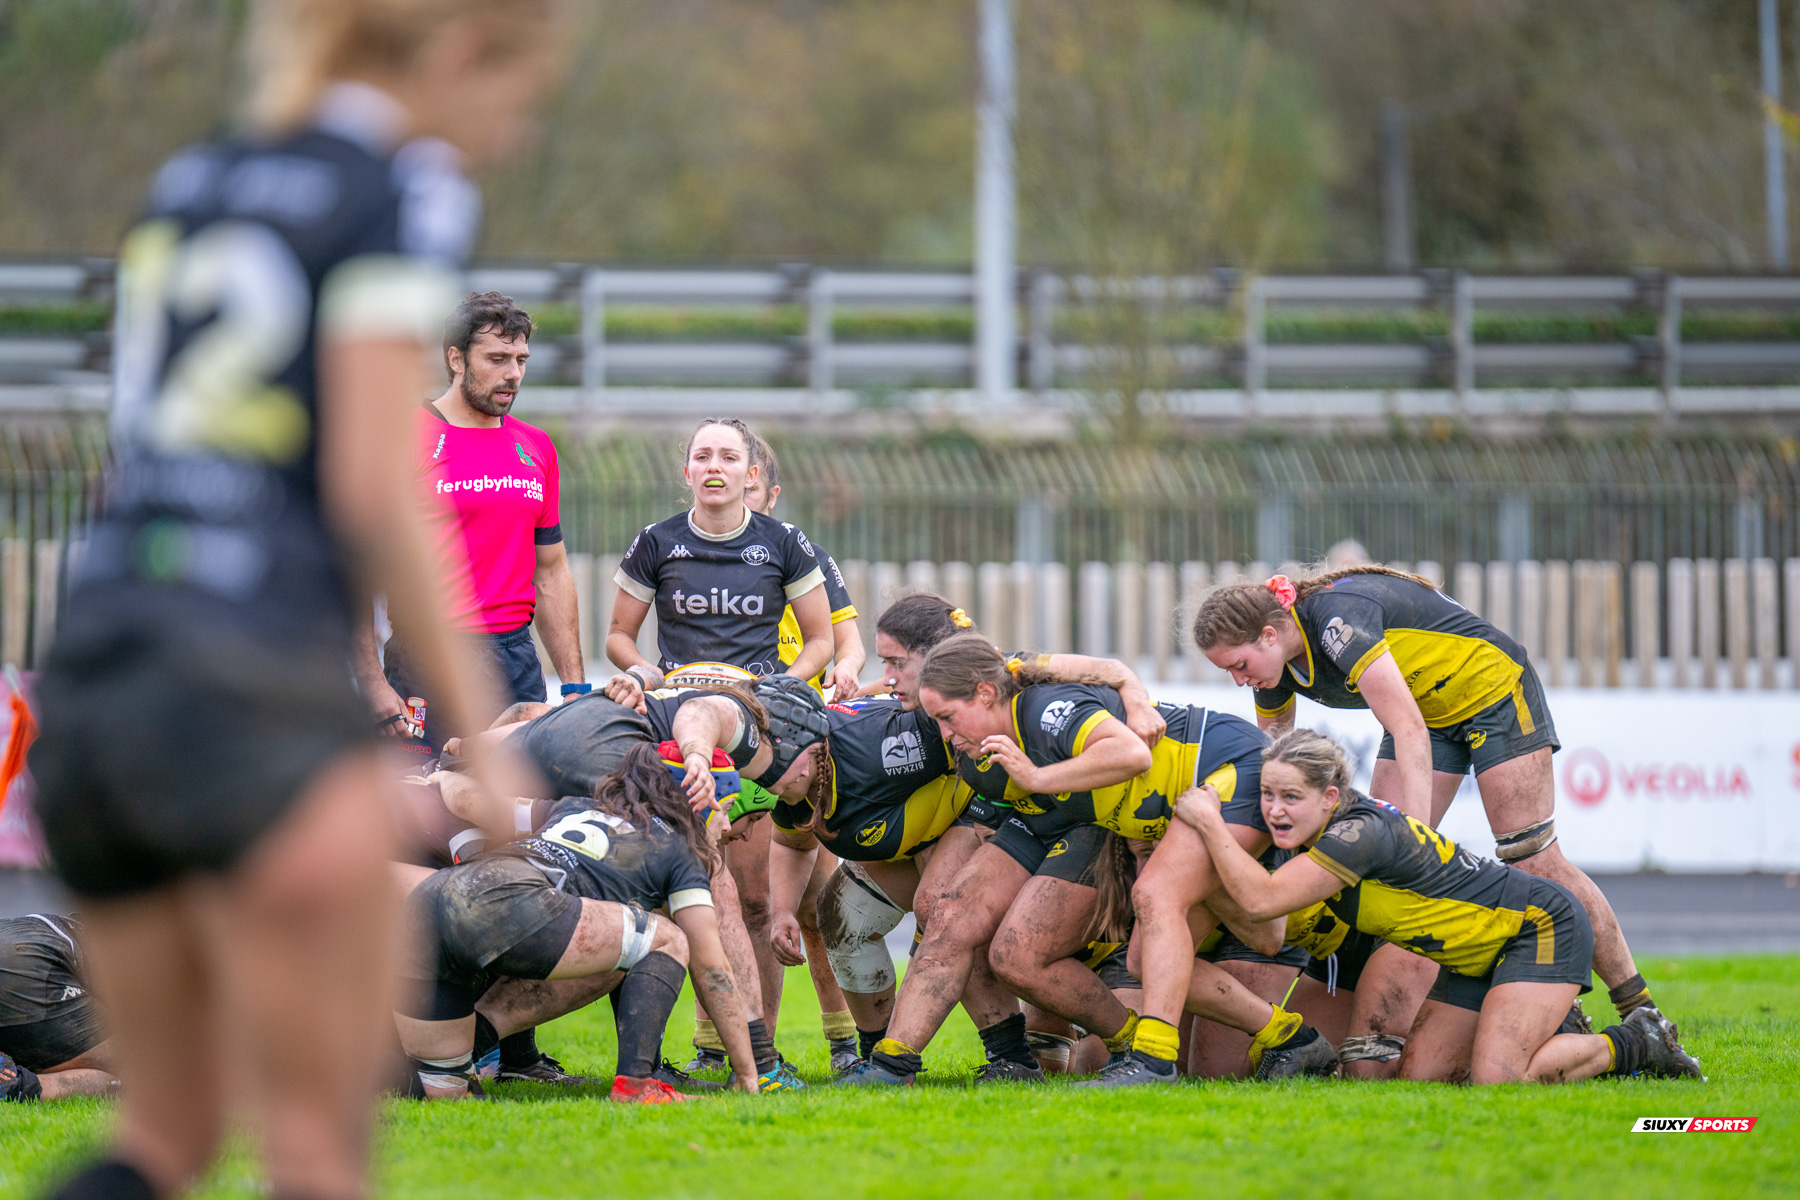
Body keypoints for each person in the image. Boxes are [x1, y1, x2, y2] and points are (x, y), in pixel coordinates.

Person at [26, 4, 556, 1197]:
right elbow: (375, 488)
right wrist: (482, 728)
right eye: (522, 91)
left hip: (102, 672)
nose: (514, 132)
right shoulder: (399, 184)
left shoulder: (195, 174)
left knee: (162, 1139)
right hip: (244, 684)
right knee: (319, 1152)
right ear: (461, 48)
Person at [1194, 567, 1668, 1054]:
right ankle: (1523, 1004)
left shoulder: (1338, 623)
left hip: (1493, 691)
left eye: (1239, 664)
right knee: (1376, 868)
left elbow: (1407, 729)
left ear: (1270, 635)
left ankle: (1640, 1007)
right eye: (1228, 672)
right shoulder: (1271, 671)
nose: (1237, 680)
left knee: (1532, 859)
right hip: (1428, 714)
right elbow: (1271, 763)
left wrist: (1414, 839)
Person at [842, 635, 1330, 1086]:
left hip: (1225, 773)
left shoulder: (1044, 707)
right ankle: (892, 1064)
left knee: (1171, 902)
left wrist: (1034, 777)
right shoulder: (983, 728)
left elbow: (1132, 750)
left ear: (986, 693)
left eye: (948, 717)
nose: (944, 734)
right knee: (974, 923)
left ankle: (1152, 1063)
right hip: (1088, 816)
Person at [1178, 728, 1703, 1085]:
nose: (1273, 809)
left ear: (1331, 798)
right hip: (1471, 957)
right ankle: (1553, 1026)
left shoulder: (1357, 833)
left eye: (1290, 797)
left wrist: (1206, 823)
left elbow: (1262, 900)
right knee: (1420, 1078)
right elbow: (1268, 928)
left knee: (1500, 1082)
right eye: (1267, 794)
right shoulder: (1326, 834)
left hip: (1538, 928)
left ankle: (1637, 1041)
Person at [438, 671, 830, 1092]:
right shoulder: (745, 726)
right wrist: (698, 755)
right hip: (566, 782)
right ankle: (756, 1063)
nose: (741, 827)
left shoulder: (600, 752)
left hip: (474, 844)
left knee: (626, 935)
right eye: (737, 811)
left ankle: (467, 1044)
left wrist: (459, 757)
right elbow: (700, 714)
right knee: (692, 903)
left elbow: (532, 719)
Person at [397, 744, 759, 1103]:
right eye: (725, 809)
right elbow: (712, 968)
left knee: (439, 1093)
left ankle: (396, 1075)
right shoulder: (681, 852)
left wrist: (442, 777)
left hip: (429, 903)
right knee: (667, 938)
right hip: (508, 904)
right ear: (697, 802)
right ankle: (637, 1085)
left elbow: (473, 802)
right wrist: (746, 1071)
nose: (727, 825)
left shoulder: (573, 806)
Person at [353, 290, 587, 752]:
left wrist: (576, 689)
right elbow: (359, 569)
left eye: (521, 359)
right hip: (427, 657)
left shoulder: (536, 447)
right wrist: (372, 680)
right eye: (497, 358)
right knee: (428, 807)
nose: (513, 374)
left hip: (515, 659)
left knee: (521, 803)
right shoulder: (403, 438)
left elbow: (552, 570)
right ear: (455, 358)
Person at [606, 418, 831, 689]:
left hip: (757, 702)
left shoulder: (786, 541)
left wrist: (781, 687)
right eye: (702, 457)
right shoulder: (655, 541)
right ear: (688, 473)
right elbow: (618, 636)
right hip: (674, 696)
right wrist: (654, 677)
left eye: (729, 457)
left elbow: (820, 640)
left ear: (751, 475)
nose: (714, 466)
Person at [0, 914, 119, 1102]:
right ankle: (14, 1084)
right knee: (145, 1070)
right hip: (26, 959)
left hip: (25, 950)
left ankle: (15, 1083)